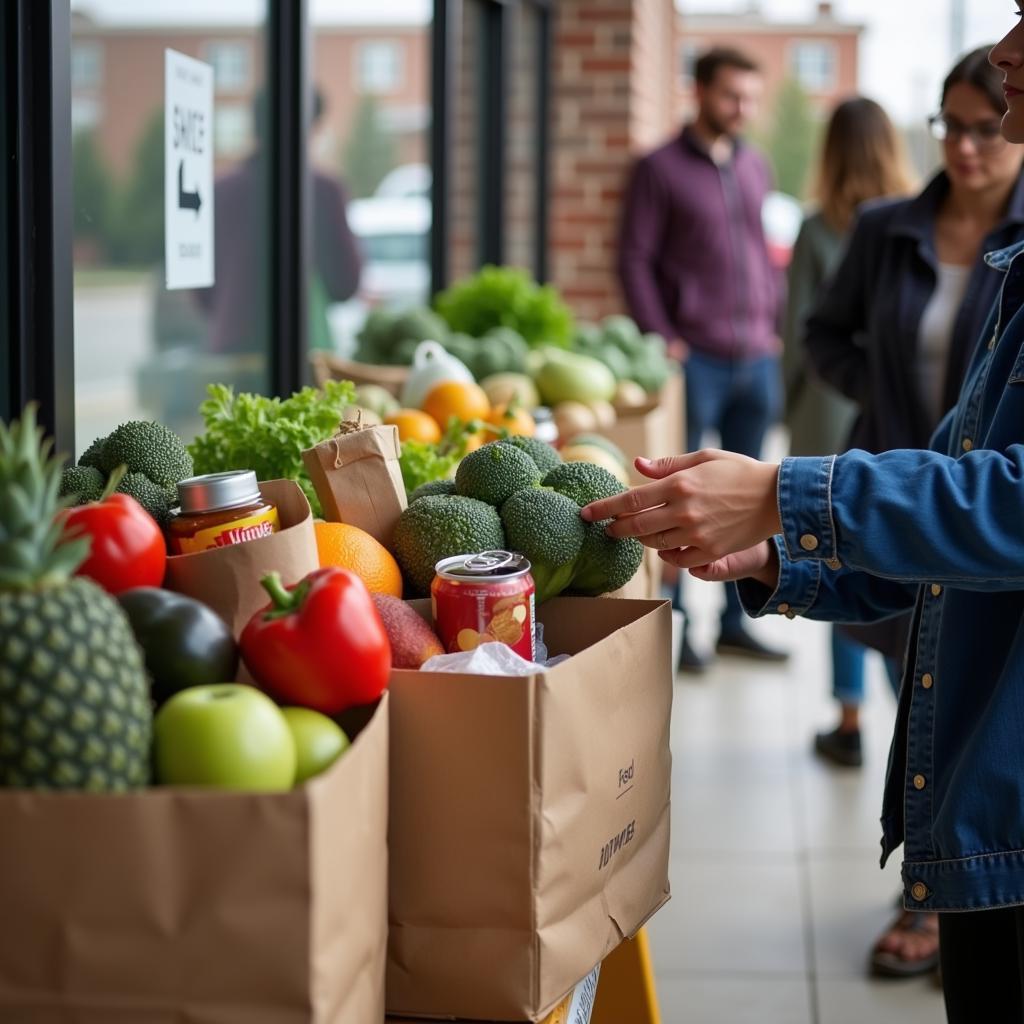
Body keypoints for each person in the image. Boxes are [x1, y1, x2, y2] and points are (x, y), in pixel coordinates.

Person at [582, 12, 1024, 1019]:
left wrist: (786, 489)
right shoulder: (1009, 270)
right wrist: (774, 559)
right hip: (985, 783)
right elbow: (963, 502)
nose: (1001, 53)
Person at [801, 51, 1024, 980]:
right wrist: (779, 550)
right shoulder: (894, 229)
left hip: (927, 501)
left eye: (991, 120)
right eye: (953, 123)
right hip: (906, 478)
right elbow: (827, 333)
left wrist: (797, 499)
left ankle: (934, 893)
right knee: (915, 685)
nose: (971, 143)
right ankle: (939, 882)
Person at [618, 46, 786, 672]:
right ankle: (681, 628)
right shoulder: (659, 168)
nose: (740, 109)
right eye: (729, 96)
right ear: (699, 92)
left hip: (754, 358)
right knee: (680, 500)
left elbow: (759, 251)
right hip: (695, 360)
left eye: (749, 97)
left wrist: (771, 324)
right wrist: (662, 334)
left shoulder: (754, 165)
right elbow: (633, 257)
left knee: (748, 499)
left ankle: (740, 621)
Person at [783, 96, 917, 773]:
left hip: (824, 413)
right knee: (893, 559)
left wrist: (790, 406)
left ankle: (848, 717)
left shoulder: (818, 228)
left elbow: (800, 333)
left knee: (832, 554)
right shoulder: (917, 221)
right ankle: (912, 717)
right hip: (894, 421)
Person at [197, 88, 362, 354]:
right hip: (301, 351)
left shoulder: (221, 191)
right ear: (312, 128)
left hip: (232, 346)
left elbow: (202, 288)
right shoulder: (322, 190)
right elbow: (346, 282)